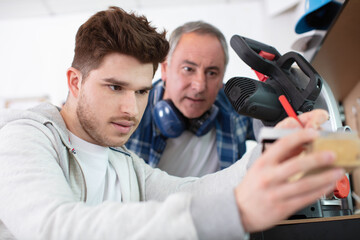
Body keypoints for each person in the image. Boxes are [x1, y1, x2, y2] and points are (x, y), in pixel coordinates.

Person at [0, 6, 344, 240]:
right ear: (75, 82)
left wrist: (265, 155)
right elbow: (54, 227)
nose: (130, 109)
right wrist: (234, 211)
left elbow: (187, 190)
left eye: (140, 92)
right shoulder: (24, 137)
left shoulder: (122, 161)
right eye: (115, 87)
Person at [126, 21, 255, 177]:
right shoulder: (131, 113)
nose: (199, 86)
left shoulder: (236, 105)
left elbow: (282, 129)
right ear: (166, 69)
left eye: (212, 73)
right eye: (188, 69)